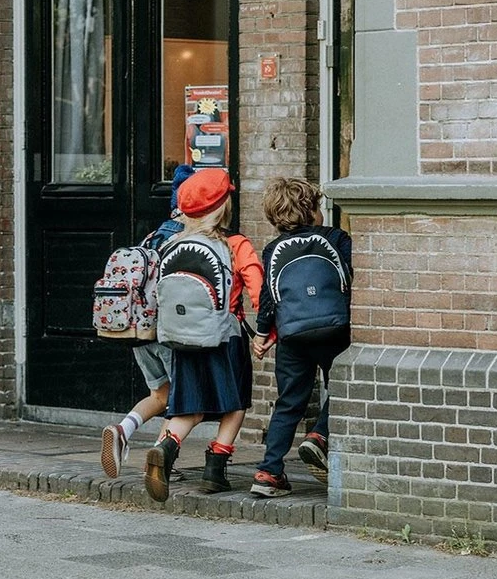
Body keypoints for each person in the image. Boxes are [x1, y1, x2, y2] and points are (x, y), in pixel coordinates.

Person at [143, 168, 264, 502]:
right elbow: (258, 289)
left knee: (189, 408)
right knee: (235, 404)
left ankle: (165, 448)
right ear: (224, 207)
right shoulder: (235, 244)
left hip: (182, 340)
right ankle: (215, 470)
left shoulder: (172, 244)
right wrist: (267, 329)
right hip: (225, 337)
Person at [249, 177, 352, 497]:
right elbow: (353, 280)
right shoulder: (336, 237)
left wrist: (262, 334)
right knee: (344, 388)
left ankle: (268, 472)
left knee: (289, 402)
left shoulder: (273, 249)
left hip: (292, 335)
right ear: (310, 210)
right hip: (334, 329)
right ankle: (319, 435)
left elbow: (269, 297)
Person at [100, 164, 196, 479]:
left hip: (139, 331)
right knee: (183, 401)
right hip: (168, 333)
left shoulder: (152, 236)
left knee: (161, 395)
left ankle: (122, 430)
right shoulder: (186, 240)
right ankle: (159, 459)